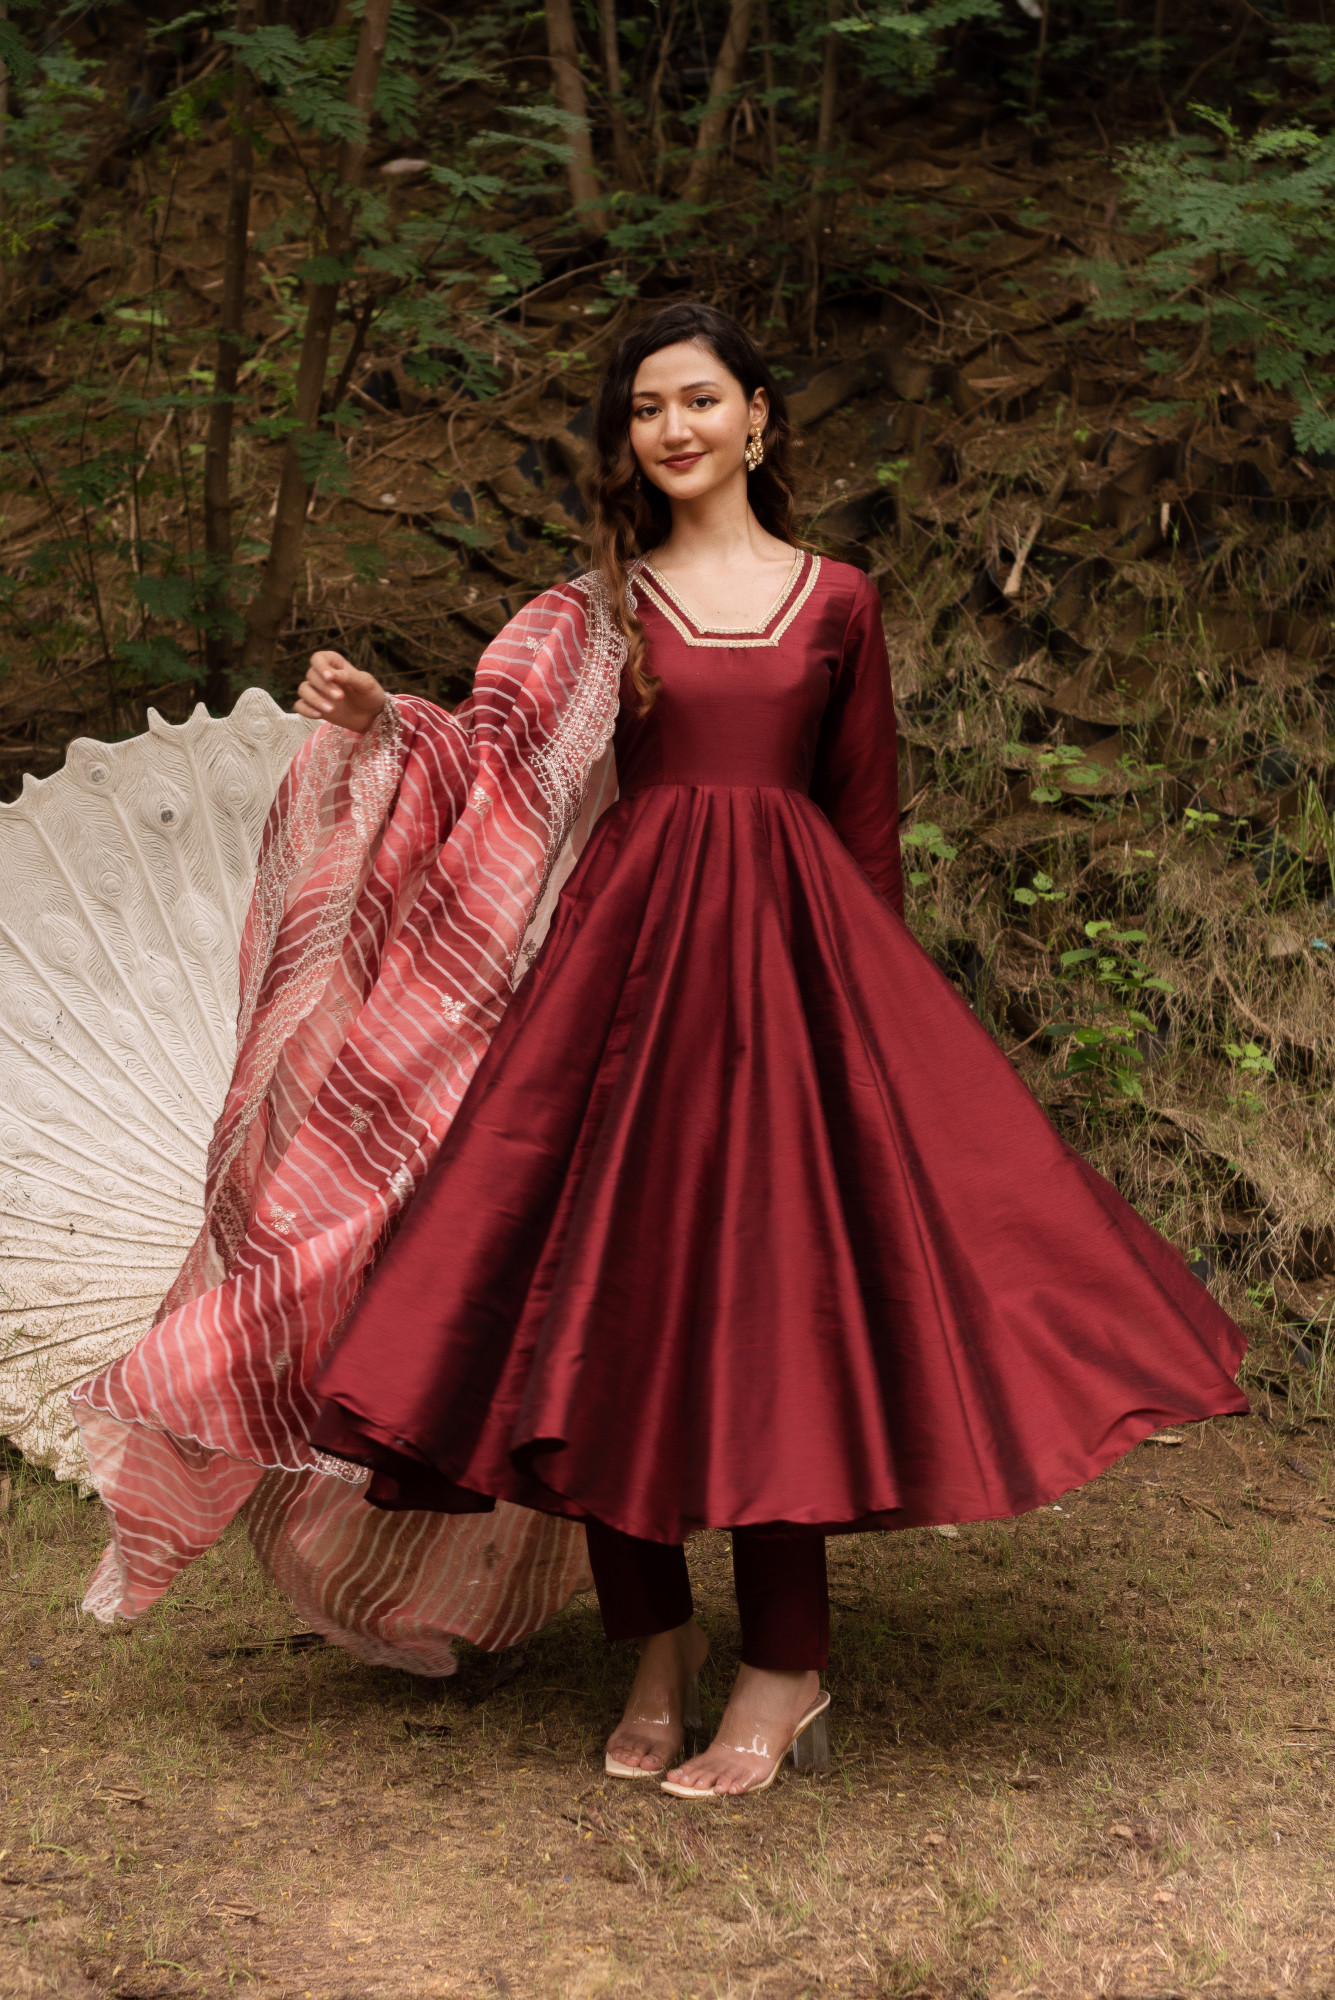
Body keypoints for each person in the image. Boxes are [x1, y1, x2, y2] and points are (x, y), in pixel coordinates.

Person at [291, 301, 1247, 1799]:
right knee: (609, 1300)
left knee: (771, 1309)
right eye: (643, 411)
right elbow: (499, 761)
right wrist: (382, 722)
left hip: (796, 985)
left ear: (758, 420)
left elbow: (864, 831)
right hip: (629, 982)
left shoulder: (840, 601)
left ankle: (784, 1666)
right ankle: (655, 1646)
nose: (670, 429)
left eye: (698, 401)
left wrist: (870, 1044)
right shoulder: (600, 609)